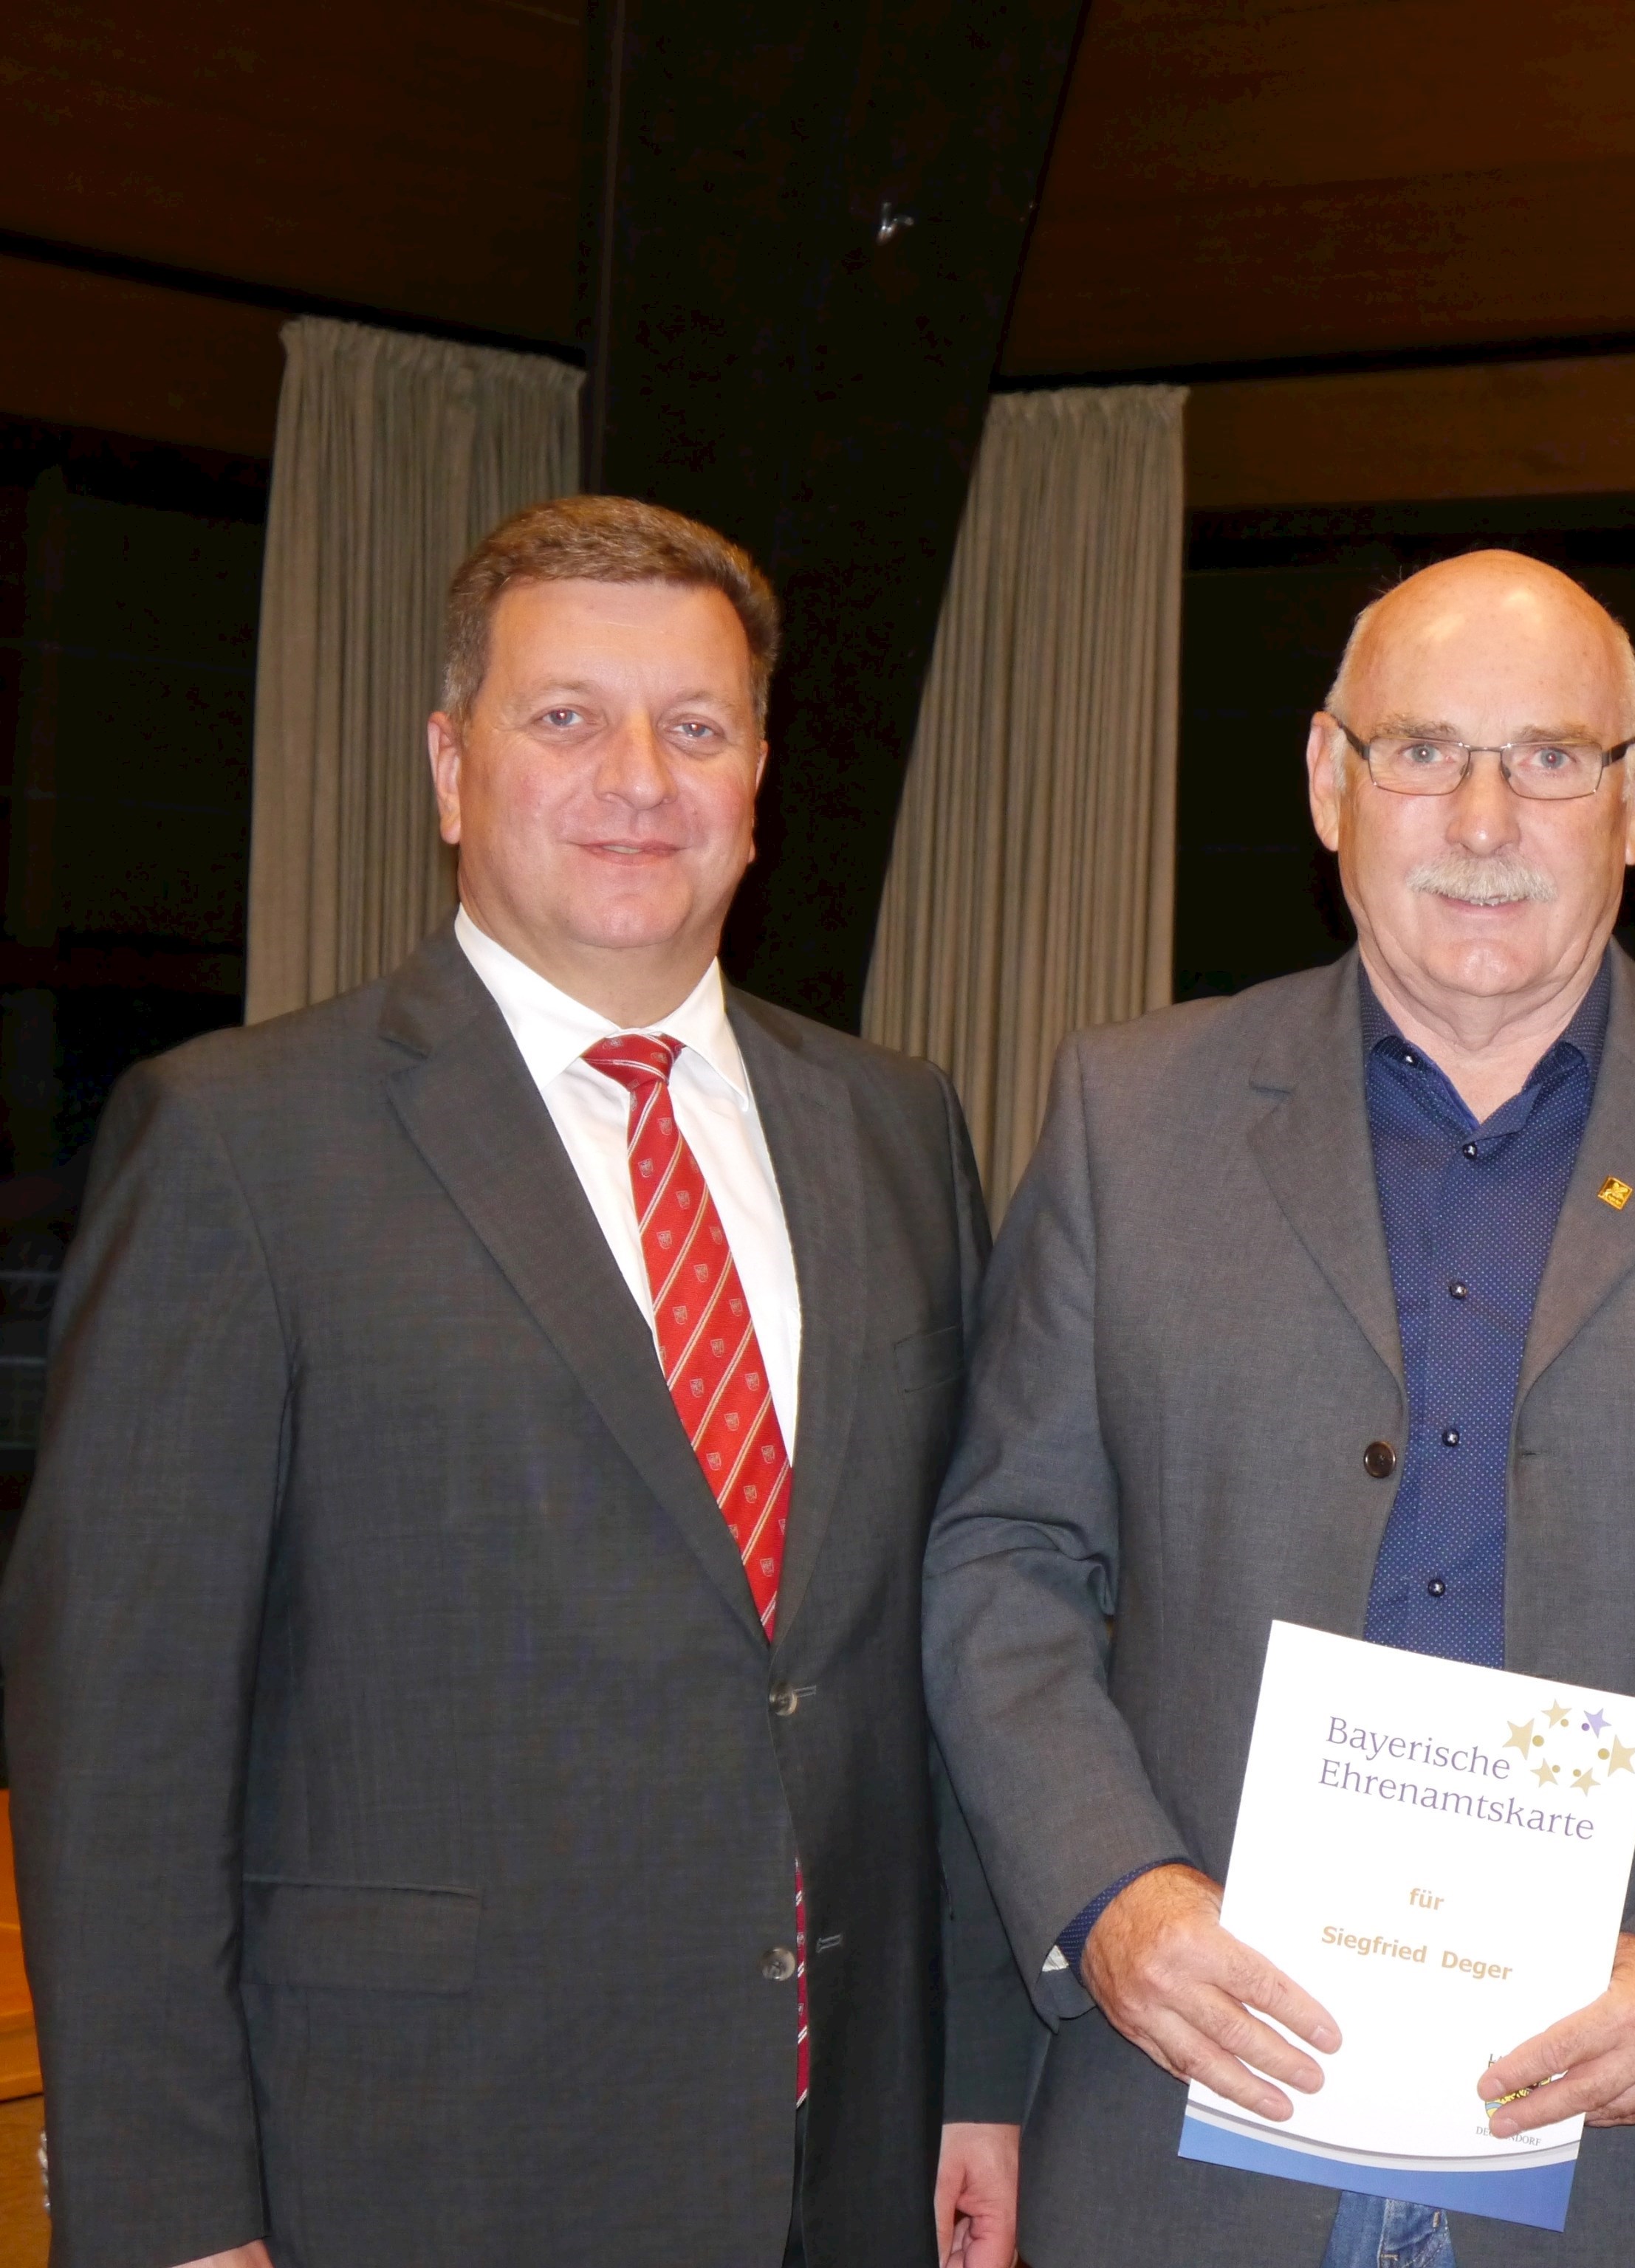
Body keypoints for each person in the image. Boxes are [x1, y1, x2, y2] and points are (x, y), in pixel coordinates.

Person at [923, 549, 1635, 2266]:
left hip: (1634, 2163)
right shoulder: (1132, 1117)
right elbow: (1005, 1569)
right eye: (1421, 750)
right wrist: (1110, 1895)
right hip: (1189, 2130)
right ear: (1326, 780)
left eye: (1550, 758)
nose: (1481, 820)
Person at [0, 495, 1038, 2268]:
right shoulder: (239, 1145)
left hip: (844, 2156)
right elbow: (121, 1739)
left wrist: (982, 2079)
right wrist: (172, 2217)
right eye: (566, 717)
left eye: (694, 726)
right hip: (419, 2168)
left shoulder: (894, 1128)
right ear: (449, 764)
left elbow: (944, 1639)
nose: (638, 778)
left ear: (757, 774)